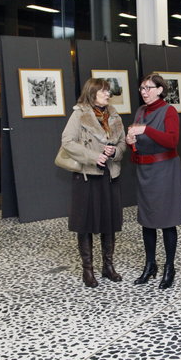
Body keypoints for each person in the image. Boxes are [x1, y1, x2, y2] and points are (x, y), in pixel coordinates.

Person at [61, 78, 126, 288]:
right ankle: (87, 270)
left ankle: (108, 267)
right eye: (104, 91)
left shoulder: (113, 114)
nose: (108, 94)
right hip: (88, 176)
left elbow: (123, 142)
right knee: (86, 224)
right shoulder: (79, 114)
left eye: (108, 91)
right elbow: (67, 141)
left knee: (109, 222)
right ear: (92, 93)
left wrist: (114, 151)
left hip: (109, 174)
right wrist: (92, 155)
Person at [126, 73, 181, 290]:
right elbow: (137, 143)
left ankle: (170, 267)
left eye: (148, 88)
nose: (144, 92)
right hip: (144, 171)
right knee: (147, 220)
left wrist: (146, 130)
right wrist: (130, 140)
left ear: (160, 90)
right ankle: (150, 265)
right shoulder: (141, 111)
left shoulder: (169, 111)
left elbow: (172, 141)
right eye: (141, 88)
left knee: (167, 220)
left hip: (165, 171)